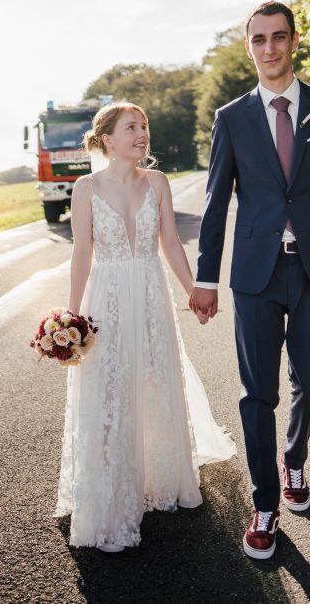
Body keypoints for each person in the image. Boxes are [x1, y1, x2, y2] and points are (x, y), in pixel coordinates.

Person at [190, 1, 310, 560]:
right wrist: (206, 277)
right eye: (259, 39)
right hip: (256, 274)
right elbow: (215, 202)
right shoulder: (232, 118)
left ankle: (294, 460)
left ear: (294, 41)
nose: (269, 48)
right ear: (249, 47)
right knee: (257, 393)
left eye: (278, 37)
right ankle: (265, 503)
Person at [55, 101, 236, 553]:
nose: (141, 134)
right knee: (111, 387)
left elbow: (170, 242)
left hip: (152, 295)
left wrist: (194, 290)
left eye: (144, 126)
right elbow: (82, 252)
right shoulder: (85, 187)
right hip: (108, 299)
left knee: (156, 379)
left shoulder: (157, 182)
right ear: (107, 139)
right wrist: (71, 317)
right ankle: (112, 487)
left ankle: (160, 476)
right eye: (131, 127)